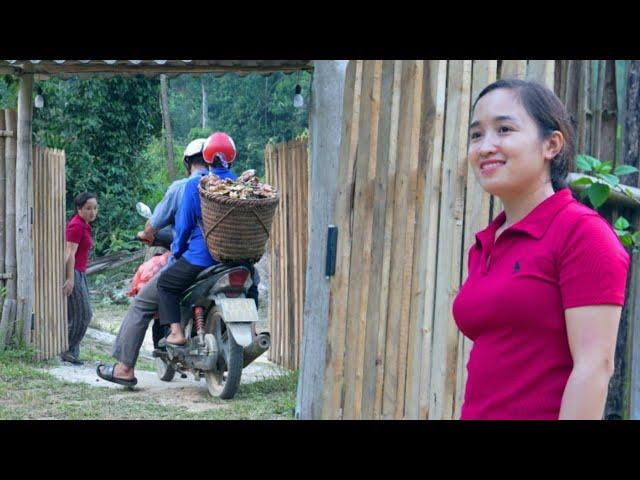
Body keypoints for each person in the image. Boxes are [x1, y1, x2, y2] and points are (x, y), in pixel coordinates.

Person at [453, 79, 630, 420]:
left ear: (552, 144)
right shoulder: (486, 244)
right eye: (476, 135)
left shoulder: (582, 234)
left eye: (504, 129)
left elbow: (594, 368)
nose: (485, 146)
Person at [97, 138, 209, 386]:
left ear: (188, 162)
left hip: (191, 261)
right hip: (222, 261)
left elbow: (155, 225)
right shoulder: (225, 184)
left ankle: (124, 369)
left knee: (142, 304)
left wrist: (147, 234)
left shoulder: (183, 187)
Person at [157, 132, 238, 346]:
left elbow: (183, 225)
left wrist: (177, 249)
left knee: (166, 283)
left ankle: (176, 333)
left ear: (207, 158)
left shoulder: (197, 185)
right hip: (235, 259)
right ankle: (254, 331)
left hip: (201, 258)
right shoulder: (240, 184)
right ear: (232, 158)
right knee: (251, 284)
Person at [61, 192, 98, 365]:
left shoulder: (83, 225)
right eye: (88, 208)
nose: (92, 212)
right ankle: (66, 348)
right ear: (79, 209)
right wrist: (70, 279)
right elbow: (69, 253)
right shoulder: (76, 226)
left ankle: (72, 352)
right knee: (84, 314)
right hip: (74, 272)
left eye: (95, 208)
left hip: (80, 272)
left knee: (77, 313)